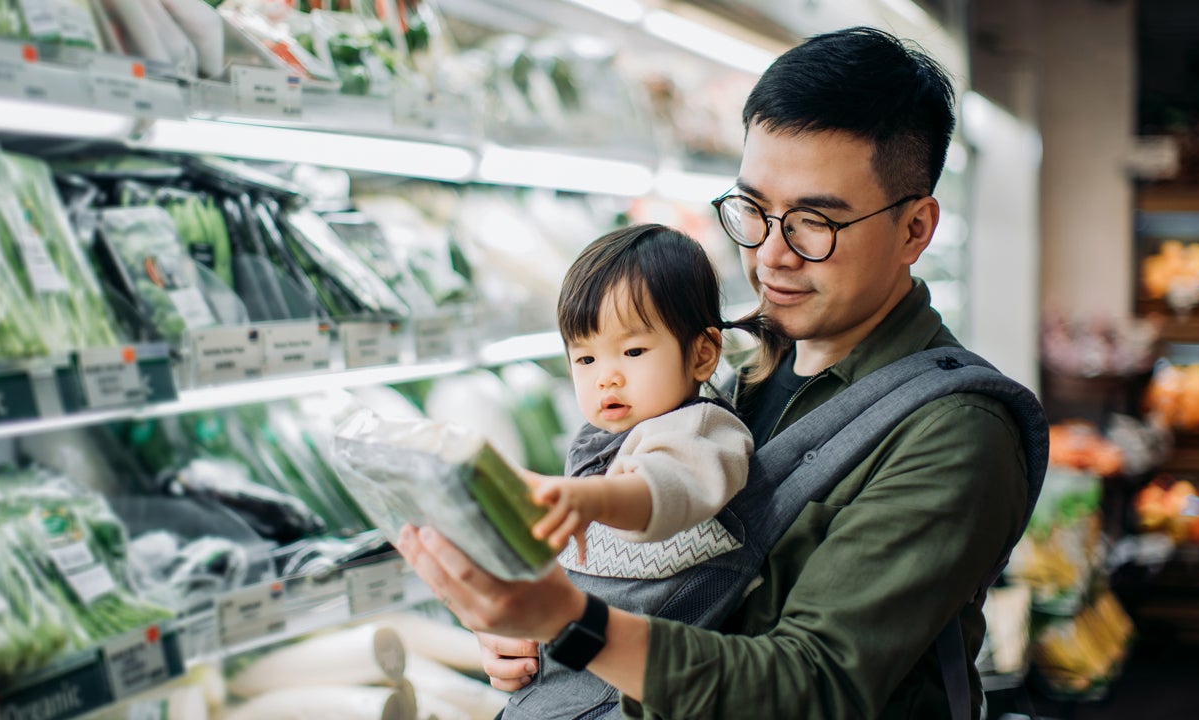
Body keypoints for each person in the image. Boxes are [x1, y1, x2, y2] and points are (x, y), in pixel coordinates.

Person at [397, 26, 1043, 719]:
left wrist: (576, 626)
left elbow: (814, 686)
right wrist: (527, 629)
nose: (771, 255)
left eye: (813, 224)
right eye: (754, 210)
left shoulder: (956, 432)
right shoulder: (727, 361)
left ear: (915, 229)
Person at [509, 222, 780, 719]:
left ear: (702, 353)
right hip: (567, 679)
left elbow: (663, 487)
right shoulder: (596, 442)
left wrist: (589, 501)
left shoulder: (702, 431)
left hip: (634, 696)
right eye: (585, 358)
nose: (606, 375)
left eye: (633, 351)